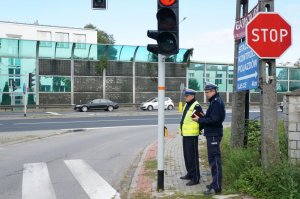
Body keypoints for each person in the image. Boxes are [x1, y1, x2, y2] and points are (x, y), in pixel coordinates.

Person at [192, 82, 225, 195]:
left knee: (215, 160)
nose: (206, 94)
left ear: (213, 91)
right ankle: (214, 183)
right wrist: (202, 117)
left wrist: (200, 120)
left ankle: (217, 187)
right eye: (205, 92)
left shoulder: (216, 102)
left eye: (207, 92)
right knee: (212, 160)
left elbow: (215, 120)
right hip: (212, 134)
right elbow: (211, 118)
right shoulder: (214, 102)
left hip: (214, 134)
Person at [179, 88, 204, 186]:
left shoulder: (196, 106)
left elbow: (201, 120)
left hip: (192, 135)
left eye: (187, 95)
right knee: (187, 156)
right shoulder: (187, 104)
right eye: (185, 95)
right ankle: (190, 173)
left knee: (192, 157)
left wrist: (198, 130)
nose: (186, 97)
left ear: (192, 96)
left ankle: (195, 178)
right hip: (185, 134)